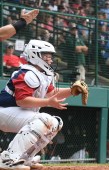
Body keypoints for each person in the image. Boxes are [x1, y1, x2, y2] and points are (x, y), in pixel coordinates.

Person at [0, 39, 77, 170]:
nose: (50, 59)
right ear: (35, 55)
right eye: (46, 55)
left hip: (16, 112)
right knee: (43, 119)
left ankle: (24, 158)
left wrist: (72, 91)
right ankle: (7, 158)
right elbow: (22, 100)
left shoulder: (42, 74)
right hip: (5, 111)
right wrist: (48, 102)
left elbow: (52, 93)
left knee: (55, 123)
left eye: (50, 56)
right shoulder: (27, 72)